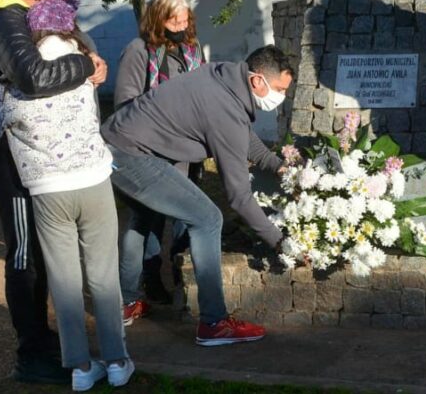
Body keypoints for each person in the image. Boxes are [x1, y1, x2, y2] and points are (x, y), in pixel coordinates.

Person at [0, 0, 134, 391]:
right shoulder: (85, 70)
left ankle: (79, 368)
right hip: (93, 181)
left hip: (47, 192)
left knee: (63, 281)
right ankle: (116, 361)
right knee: (103, 276)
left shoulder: (9, 87)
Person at [100, 45, 292, 346]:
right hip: (129, 154)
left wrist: (277, 166)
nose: (280, 98)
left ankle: (125, 301)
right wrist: (280, 242)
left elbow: (244, 135)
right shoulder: (225, 107)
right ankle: (214, 323)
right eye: (280, 89)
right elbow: (239, 196)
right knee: (207, 218)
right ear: (258, 81)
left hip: (116, 142)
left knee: (145, 215)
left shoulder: (226, 77)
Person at [111, 0, 204, 323]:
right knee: (145, 222)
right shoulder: (138, 52)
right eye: (173, 20)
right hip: (148, 152)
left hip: (187, 152)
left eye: (184, 19)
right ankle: (134, 292)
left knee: (185, 220)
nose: (181, 25)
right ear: (157, 19)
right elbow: (126, 105)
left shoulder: (192, 51)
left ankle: (181, 284)